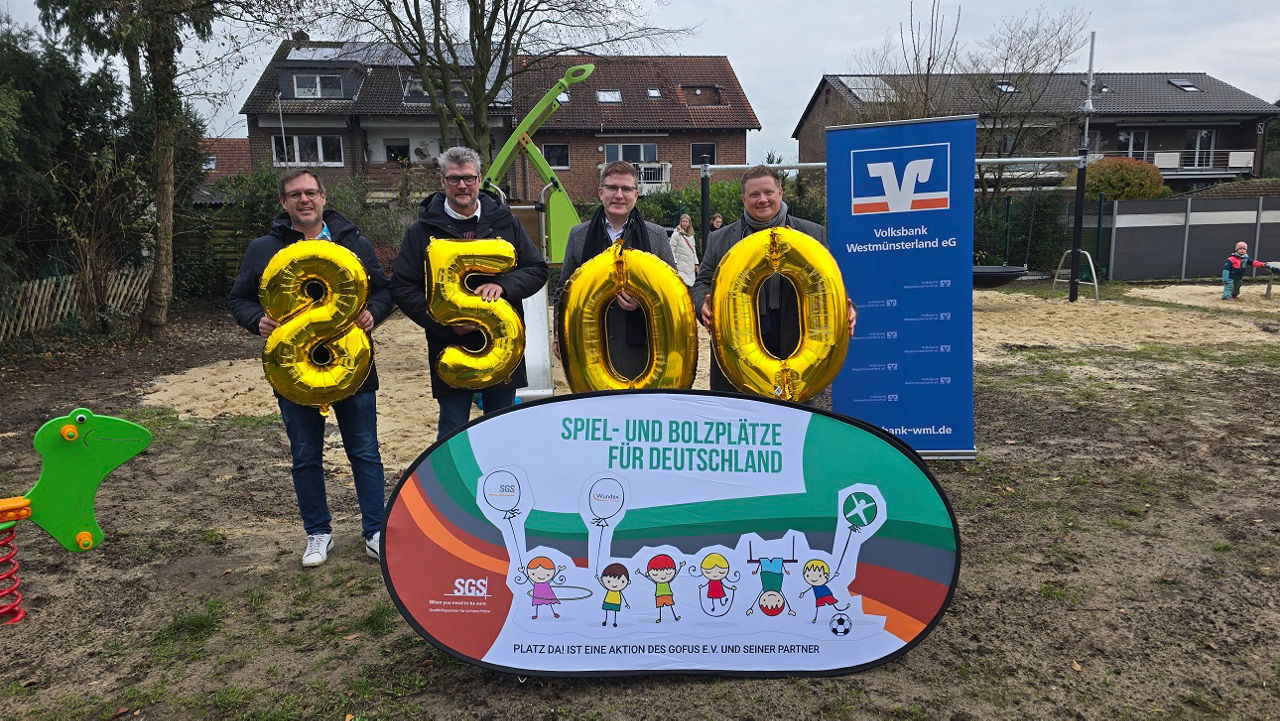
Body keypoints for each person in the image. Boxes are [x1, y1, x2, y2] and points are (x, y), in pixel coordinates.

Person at [227, 168, 393, 567]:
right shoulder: (264, 249)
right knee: (305, 455)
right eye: (295, 194)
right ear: (283, 203)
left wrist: (373, 312)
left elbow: (384, 290)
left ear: (323, 197)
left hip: (352, 366)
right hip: (294, 371)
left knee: (365, 451)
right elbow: (239, 299)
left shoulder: (352, 242)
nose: (304, 199)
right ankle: (318, 533)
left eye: (310, 192)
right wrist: (257, 320)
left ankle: (375, 530)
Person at [390, 146, 549, 440]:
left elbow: (537, 269)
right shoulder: (422, 230)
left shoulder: (505, 221)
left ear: (478, 179)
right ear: (442, 181)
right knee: (453, 431)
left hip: (503, 344)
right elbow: (402, 286)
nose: (462, 185)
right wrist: (444, 322)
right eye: (454, 179)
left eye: (468, 178)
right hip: (450, 346)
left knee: (502, 430)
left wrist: (504, 285)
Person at [691, 165, 857, 405]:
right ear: (743, 199)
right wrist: (702, 306)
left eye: (768, 192)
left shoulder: (812, 234)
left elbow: (829, 284)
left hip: (796, 346)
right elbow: (703, 283)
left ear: (780, 193)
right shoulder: (720, 239)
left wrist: (847, 309)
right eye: (754, 194)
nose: (762, 200)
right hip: (737, 356)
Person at [555, 161, 677, 380]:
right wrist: (559, 334)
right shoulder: (578, 236)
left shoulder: (656, 236)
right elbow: (563, 292)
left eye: (626, 189)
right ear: (601, 192)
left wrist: (643, 301)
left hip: (644, 354)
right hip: (591, 351)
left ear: (636, 195)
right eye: (612, 187)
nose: (619, 195)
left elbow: (673, 292)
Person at [668, 213, 699, 287]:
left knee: (690, 286)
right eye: (683, 221)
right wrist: (674, 263)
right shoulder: (676, 234)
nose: (684, 223)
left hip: (690, 267)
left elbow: (693, 250)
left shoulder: (691, 235)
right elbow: (672, 249)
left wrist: (696, 263)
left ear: (689, 223)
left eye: (686, 221)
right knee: (682, 285)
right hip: (680, 266)